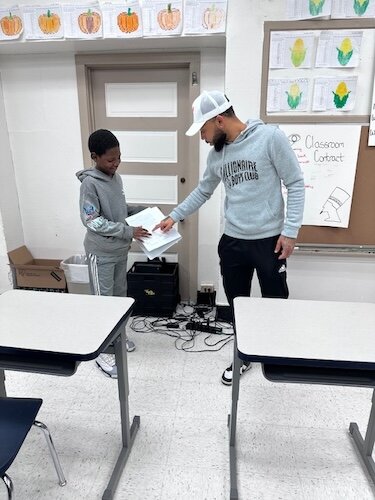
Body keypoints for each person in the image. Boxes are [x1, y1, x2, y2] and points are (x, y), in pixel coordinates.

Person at [155, 90, 305, 385]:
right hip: (233, 242)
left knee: (275, 300)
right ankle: (243, 355)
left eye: (204, 130)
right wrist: (175, 215)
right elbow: (203, 191)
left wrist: (290, 232)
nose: (203, 138)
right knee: (238, 304)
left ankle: (275, 353)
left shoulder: (270, 138)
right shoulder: (217, 156)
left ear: (219, 120)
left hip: (269, 241)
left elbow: (296, 183)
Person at [77, 129, 150, 378]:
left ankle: (117, 338)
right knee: (102, 303)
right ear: (95, 157)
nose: (116, 163)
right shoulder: (90, 183)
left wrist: (143, 210)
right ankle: (102, 353)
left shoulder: (115, 178)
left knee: (119, 299)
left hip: (120, 251)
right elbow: (92, 220)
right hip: (101, 253)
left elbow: (118, 210)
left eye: (119, 157)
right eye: (110, 160)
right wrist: (128, 231)